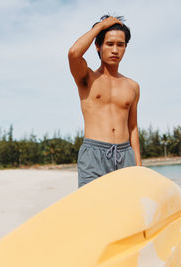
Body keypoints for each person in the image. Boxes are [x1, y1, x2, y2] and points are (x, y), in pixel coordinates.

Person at [68, 15, 142, 188]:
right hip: (94, 156)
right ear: (98, 46)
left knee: (125, 211)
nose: (115, 50)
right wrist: (101, 26)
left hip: (125, 156)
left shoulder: (132, 86)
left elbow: (133, 127)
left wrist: (138, 166)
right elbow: (73, 53)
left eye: (120, 44)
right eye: (109, 44)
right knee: (92, 210)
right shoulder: (87, 78)